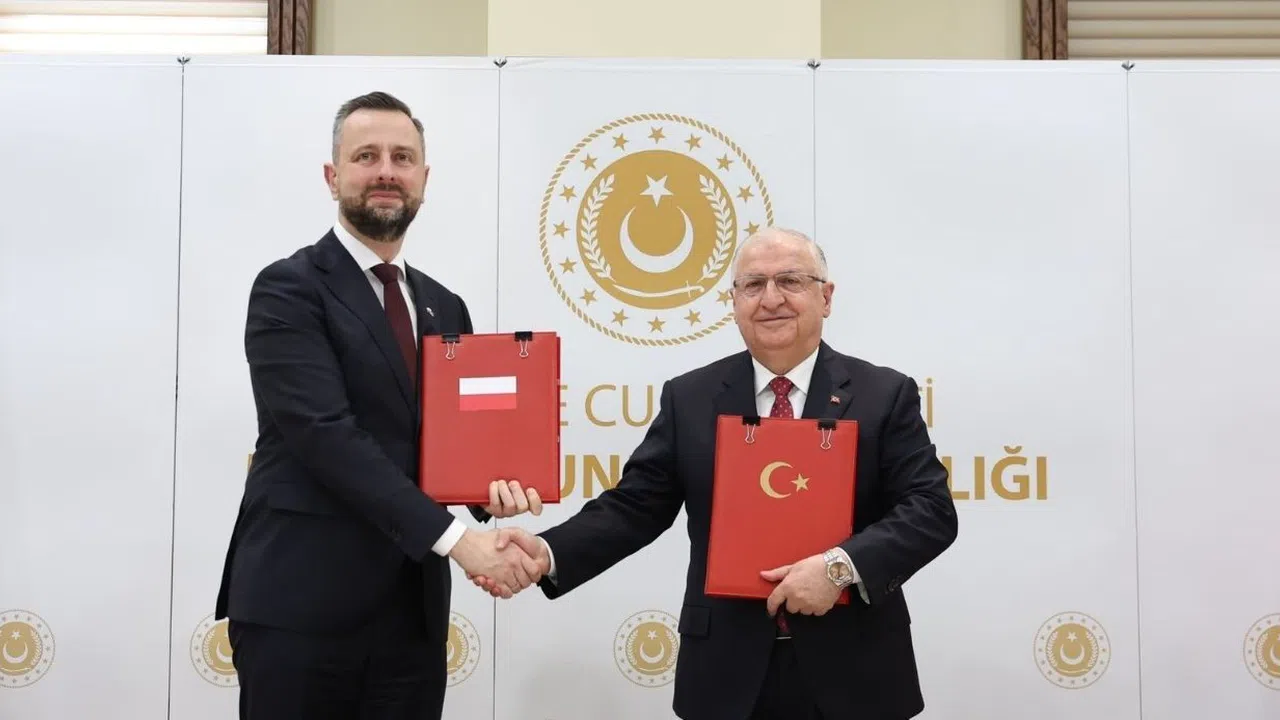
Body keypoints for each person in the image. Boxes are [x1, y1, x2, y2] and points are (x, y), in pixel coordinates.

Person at [473, 227, 958, 719]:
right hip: (727, 675)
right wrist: (548, 552)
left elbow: (931, 511)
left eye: (790, 280)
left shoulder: (884, 395)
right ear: (734, 302)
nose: (771, 299)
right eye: (753, 285)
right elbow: (635, 507)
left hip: (856, 673)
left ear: (826, 297)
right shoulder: (691, 398)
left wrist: (839, 569)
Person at [214, 91, 544, 720]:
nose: (386, 171)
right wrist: (460, 541)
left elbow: (452, 444)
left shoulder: (445, 306)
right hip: (301, 610)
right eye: (366, 156)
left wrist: (491, 491)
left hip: (410, 617)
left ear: (424, 178)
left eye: (402, 157)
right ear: (332, 175)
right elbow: (326, 438)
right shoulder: (289, 288)